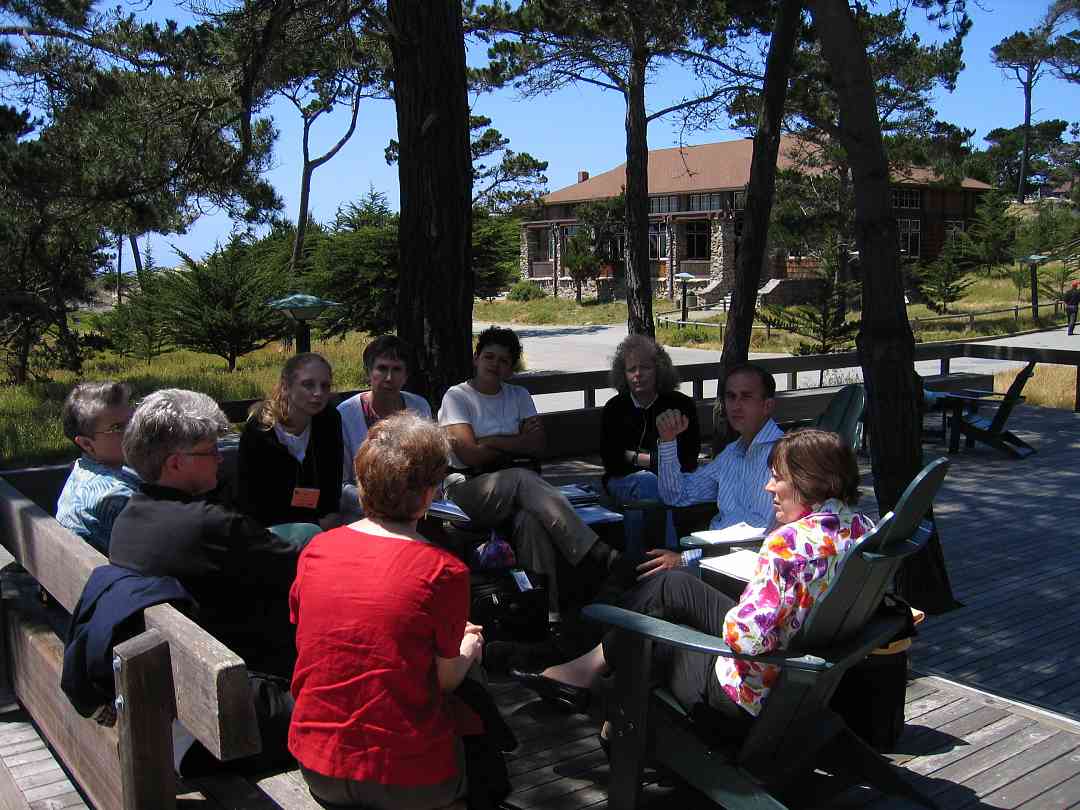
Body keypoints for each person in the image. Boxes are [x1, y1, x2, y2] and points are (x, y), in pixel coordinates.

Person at [511, 429, 873, 736]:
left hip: (744, 692)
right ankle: (586, 669)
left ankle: (606, 711)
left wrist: (742, 604)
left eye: (778, 477)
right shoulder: (859, 529)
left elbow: (748, 638)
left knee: (653, 630)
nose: (768, 486)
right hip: (797, 670)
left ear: (811, 483)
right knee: (671, 585)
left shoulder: (788, 543)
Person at [288, 413, 483, 810]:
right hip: (406, 777)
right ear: (429, 493)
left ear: (361, 483)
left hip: (320, 766)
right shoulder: (444, 571)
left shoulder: (317, 549)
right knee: (477, 717)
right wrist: (470, 644)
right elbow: (446, 679)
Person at [109, 389, 303, 767]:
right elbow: (307, 569)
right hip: (228, 716)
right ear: (176, 463)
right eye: (210, 451)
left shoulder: (131, 517)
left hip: (176, 697)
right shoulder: (209, 527)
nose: (220, 458)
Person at [438, 326, 618, 624]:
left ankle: (547, 615)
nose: (495, 365)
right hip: (467, 490)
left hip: (517, 489)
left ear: (511, 368)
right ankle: (597, 552)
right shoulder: (457, 397)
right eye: (489, 357)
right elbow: (469, 454)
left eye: (504, 361)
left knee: (531, 521)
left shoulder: (518, 395)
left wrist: (491, 441)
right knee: (520, 476)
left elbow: (536, 445)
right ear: (476, 358)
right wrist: (513, 442)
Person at [635, 362, 783, 581]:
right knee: (635, 564)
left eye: (746, 397)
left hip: (742, 570)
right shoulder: (730, 454)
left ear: (767, 406)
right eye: (731, 397)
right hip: (708, 555)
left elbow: (767, 542)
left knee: (655, 579)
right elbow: (678, 495)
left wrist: (684, 559)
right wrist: (668, 441)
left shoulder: (786, 456)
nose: (736, 406)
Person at [601, 335, 699, 555]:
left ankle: (639, 559)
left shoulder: (680, 404)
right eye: (631, 369)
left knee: (652, 491)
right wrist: (655, 460)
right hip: (623, 480)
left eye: (645, 367)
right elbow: (611, 460)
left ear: (659, 370)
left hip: (676, 478)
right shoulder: (615, 408)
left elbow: (689, 456)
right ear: (623, 374)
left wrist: (635, 457)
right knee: (647, 483)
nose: (637, 375)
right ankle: (662, 551)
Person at [237, 352, 344, 529]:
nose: (318, 393)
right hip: (270, 529)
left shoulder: (329, 419)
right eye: (308, 385)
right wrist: (312, 525)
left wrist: (328, 519)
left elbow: (332, 480)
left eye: (325, 386)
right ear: (286, 387)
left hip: (321, 525)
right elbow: (252, 499)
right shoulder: (260, 429)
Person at [338, 335, 432, 513]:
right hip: (362, 511)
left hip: (413, 510)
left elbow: (429, 467)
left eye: (397, 369)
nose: (389, 377)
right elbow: (340, 485)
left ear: (406, 375)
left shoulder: (419, 406)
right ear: (368, 372)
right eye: (382, 368)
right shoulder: (346, 414)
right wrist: (381, 502)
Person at [56, 382, 141, 554]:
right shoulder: (115, 496)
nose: (135, 431)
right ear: (87, 444)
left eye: (134, 420)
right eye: (118, 427)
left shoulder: (83, 468)